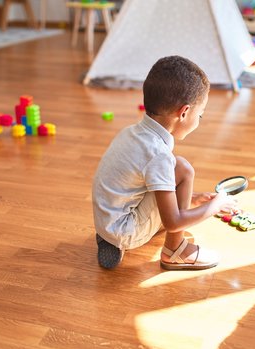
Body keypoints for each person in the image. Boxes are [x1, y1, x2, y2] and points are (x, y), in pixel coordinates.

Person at [92, 55, 237, 270]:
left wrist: (195, 199)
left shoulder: (131, 133)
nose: (199, 120)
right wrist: (214, 206)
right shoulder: (158, 154)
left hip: (108, 220)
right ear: (184, 112)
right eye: (201, 115)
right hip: (125, 229)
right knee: (183, 169)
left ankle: (111, 239)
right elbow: (173, 222)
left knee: (173, 173)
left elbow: (139, 184)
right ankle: (175, 250)